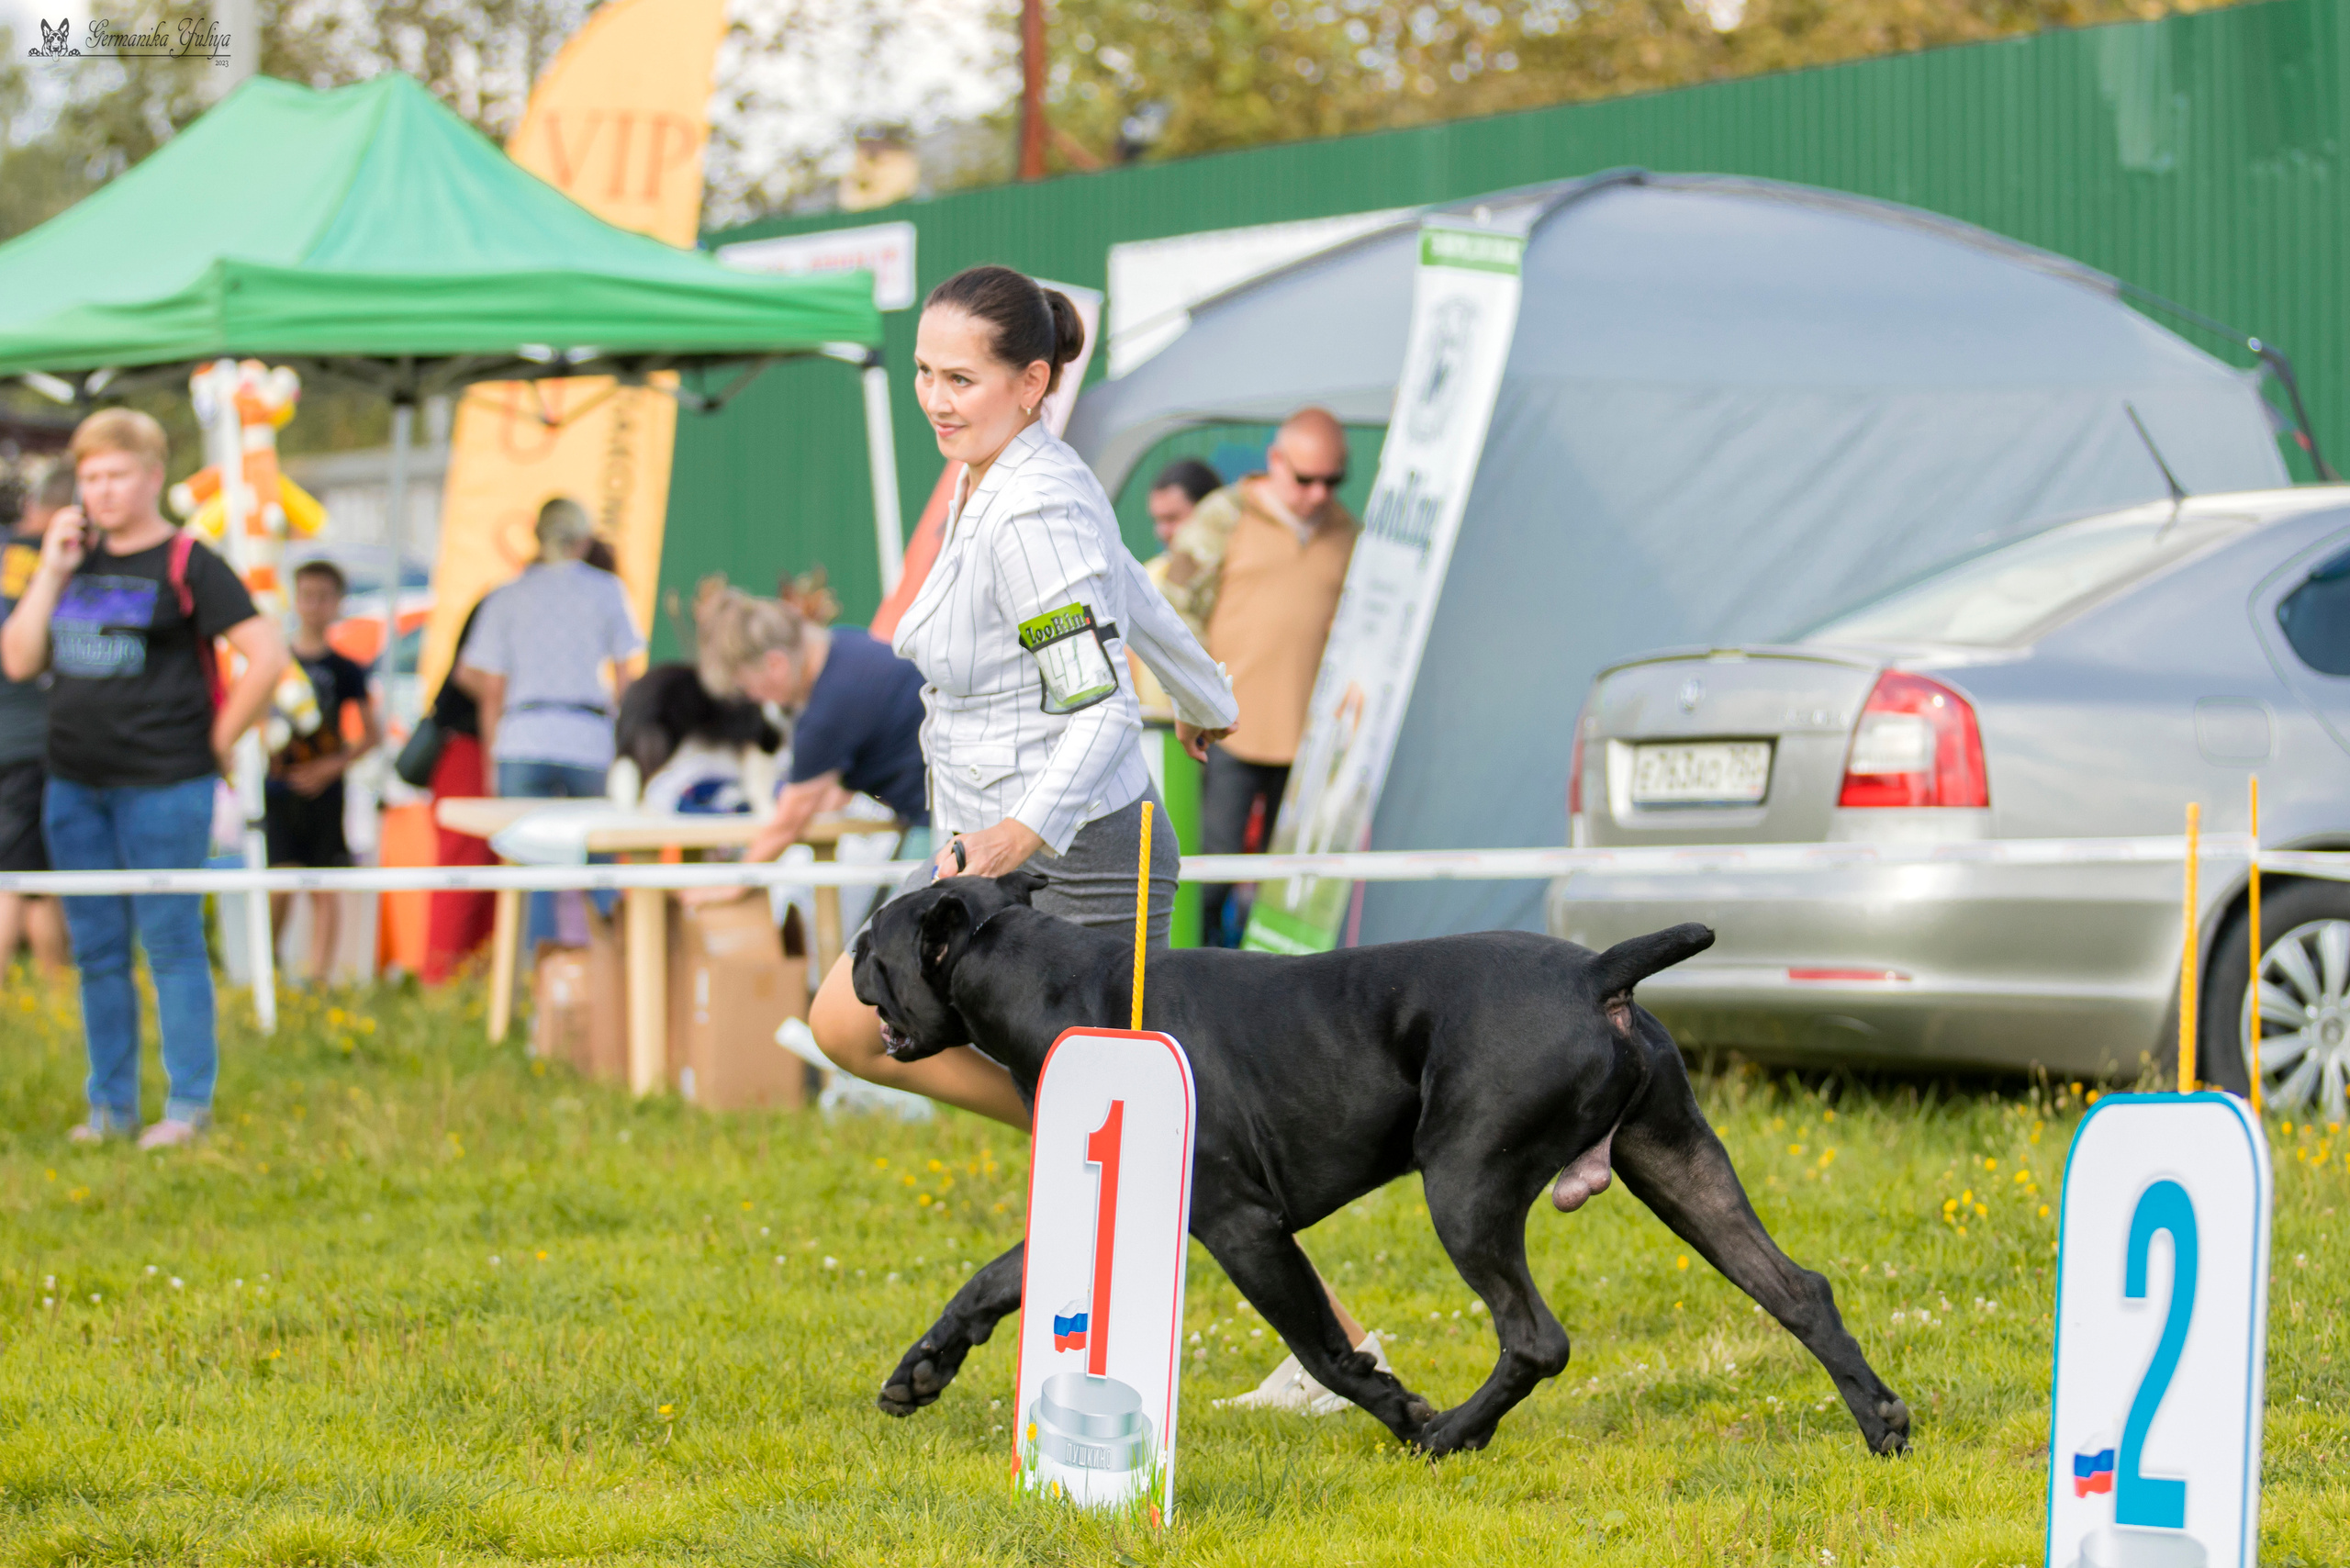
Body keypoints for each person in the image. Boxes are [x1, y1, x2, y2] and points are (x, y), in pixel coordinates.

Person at [805, 263, 1237, 1128]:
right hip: (990, 841)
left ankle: (1137, 1140)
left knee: (1116, 1115)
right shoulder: (996, 473)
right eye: (924, 372)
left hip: (1077, 852)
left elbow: (1102, 707)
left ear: (1032, 382)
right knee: (846, 1025)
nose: (935, 400)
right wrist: (1206, 697)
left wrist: (1014, 837)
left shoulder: (1034, 509)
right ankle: (1085, 1122)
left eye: (960, 380)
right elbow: (1129, 588)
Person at [0, 409, 289, 1148]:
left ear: (152, 476)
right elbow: (19, 659)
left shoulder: (190, 561)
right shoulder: (64, 558)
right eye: (90, 476)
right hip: (73, 784)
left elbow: (267, 656)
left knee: (171, 943)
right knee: (97, 952)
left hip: (166, 784)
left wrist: (217, 743)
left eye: (116, 475)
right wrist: (52, 569)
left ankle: (188, 1107)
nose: (102, 490)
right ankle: (110, 1108)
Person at [1160, 409, 1359, 946]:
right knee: (1212, 873)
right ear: (1275, 460)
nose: (1319, 494)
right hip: (1229, 731)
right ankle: (1191, 972)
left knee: (1288, 890)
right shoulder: (1223, 516)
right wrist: (1197, 697)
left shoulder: (1347, 532)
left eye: (1333, 481)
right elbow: (1174, 608)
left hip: (1311, 744)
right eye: (1306, 479)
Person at [461, 498, 643, 950]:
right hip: (589, 739)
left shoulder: (507, 595)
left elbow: (491, 690)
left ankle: (537, 975)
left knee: (532, 872)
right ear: (582, 540)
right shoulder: (606, 590)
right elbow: (628, 681)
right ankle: (614, 965)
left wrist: (492, 762)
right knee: (602, 865)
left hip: (523, 738)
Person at [694, 587, 929, 865]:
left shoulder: (827, 710)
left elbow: (788, 824)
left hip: (942, 822)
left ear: (775, 664)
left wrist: (732, 881)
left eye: (747, 687)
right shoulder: (844, 645)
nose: (754, 698)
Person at [264, 559, 380, 983]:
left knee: (325, 883)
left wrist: (331, 767)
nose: (314, 606)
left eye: (323, 597)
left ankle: (319, 979)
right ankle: (269, 965)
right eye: (307, 596)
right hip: (280, 788)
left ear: (338, 603)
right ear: (295, 600)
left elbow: (371, 734)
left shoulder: (346, 669)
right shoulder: (275, 663)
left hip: (326, 792)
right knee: (279, 880)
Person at [0, 464, 73, 980]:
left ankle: (53, 995)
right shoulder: (55, 559)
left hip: (17, 736)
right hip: (30, 737)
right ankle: (52, 991)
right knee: (20, 876)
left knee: (27, 873)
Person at [420, 599, 495, 984]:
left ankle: (477, 986)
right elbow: (467, 673)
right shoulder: (502, 602)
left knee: (493, 879)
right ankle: (439, 984)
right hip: (468, 748)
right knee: (463, 872)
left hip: (486, 749)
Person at [1145, 457, 1222, 556]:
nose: (1163, 532)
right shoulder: (1157, 566)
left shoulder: (1239, 561)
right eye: (1157, 521)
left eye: (1171, 518)